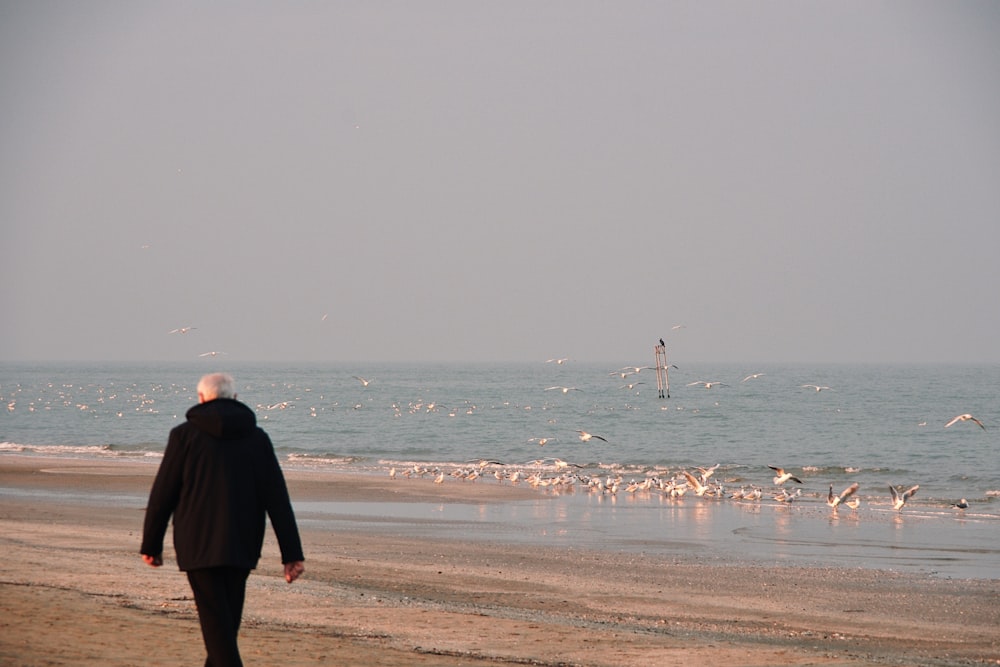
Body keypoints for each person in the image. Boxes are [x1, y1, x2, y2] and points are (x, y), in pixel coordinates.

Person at [141, 372, 305, 667]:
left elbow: (163, 492)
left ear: (201, 398)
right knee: (224, 627)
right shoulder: (257, 438)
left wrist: (151, 544)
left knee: (221, 630)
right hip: (242, 542)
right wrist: (291, 554)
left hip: (197, 544)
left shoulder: (184, 436)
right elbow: (277, 499)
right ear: (235, 398)